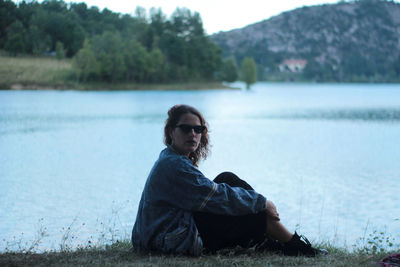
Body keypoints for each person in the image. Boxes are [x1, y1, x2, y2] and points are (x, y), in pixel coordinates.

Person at [131, 104, 327, 256]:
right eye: (186, 128)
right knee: (253, 212)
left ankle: (272, 240)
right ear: (171, 131)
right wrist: (262, 202)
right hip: (164, 240)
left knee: (228, 180)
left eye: (198, 129)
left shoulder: (170, 158)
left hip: (161, 234)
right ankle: (294, 245)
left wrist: (255, 202)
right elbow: (215, 195)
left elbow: (211, 193)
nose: (193, 134)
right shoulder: (174, 166)